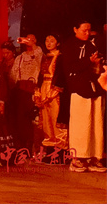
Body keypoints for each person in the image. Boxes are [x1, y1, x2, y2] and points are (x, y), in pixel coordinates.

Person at [55, 20, 106, 173]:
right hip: (78, 90)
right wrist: (87, 62)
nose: (87, 33)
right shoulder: (69, 46)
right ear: (75, 29)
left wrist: (97, 64)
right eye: (84, 30)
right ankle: (78, 158)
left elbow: (96, 67)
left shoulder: (91, 45)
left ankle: (95, 157)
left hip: (94, 89)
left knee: (96, 124)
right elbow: (70, 68)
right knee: (80, 125)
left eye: (89, 30)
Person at [12, 34, 43, 153]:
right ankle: (22, 147)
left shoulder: (39, 54)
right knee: (21, 121)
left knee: (33, 121)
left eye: (32, 39)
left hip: (34, 90)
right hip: (21, 91)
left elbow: (40, 56)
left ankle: (33, 147)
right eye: (27, 39)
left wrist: (33, 45)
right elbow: (13, 74)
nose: (28, 41)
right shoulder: (20, 57)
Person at [34, 34, 66, 148]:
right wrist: (38, 94)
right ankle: (49, 144)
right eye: (47, 40)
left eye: (52, 41)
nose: (48, 43)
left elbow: (61, 77)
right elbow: (40, 76)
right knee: (46, 120)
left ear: (58, 43)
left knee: (55, 118)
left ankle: (60, 146)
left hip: (54, 91)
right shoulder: (45, 57)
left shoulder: (61, 58)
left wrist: (51, 94)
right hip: (44, 87)